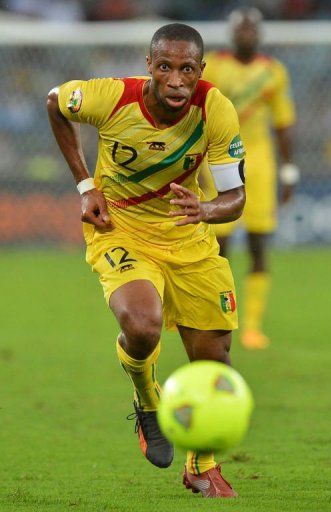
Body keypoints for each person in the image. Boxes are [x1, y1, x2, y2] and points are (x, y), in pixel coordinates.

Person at [47, 23, 246, 498]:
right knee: (142, 325)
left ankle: (201, 466)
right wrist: (84, 185)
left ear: (201, 71)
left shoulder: (215, 109)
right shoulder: (112, 97)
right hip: (122, 230)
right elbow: (55, 100)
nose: (176, 80)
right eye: (165, 67)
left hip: (187, 235)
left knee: (215, 361)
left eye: (187, 70)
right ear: (148, 66)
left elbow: (236, 197)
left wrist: (206, 209)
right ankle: (146, 398)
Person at [201, 8, 300, 350]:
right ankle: (216, 318)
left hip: (260, 165)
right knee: (218, 248)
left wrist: (289, 171)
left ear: (260, 33)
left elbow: (283, 124)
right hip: (219, 161)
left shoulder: (273, 72)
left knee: (258, 245)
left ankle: (253, 326)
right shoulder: (212, 65)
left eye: (251, 28)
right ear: (231, 33)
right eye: (240, 28)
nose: (246, 33)